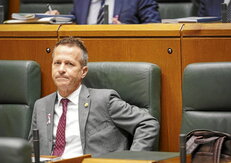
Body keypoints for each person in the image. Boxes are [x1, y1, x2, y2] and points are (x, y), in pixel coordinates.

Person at [28, 37, 160, 159]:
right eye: (57, 63)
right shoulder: (41, 105)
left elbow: (148, 123)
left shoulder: (104, 100)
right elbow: (32, 151)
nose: (61, 69)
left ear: (83, 71)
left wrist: (131, 161)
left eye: (69, 64)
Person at [47, 0, 161, 24]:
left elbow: (155, 29)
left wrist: (124, 31)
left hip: (125, 55)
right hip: (84, 59)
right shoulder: (81, 1)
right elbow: (76, 21)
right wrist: (56, 19)